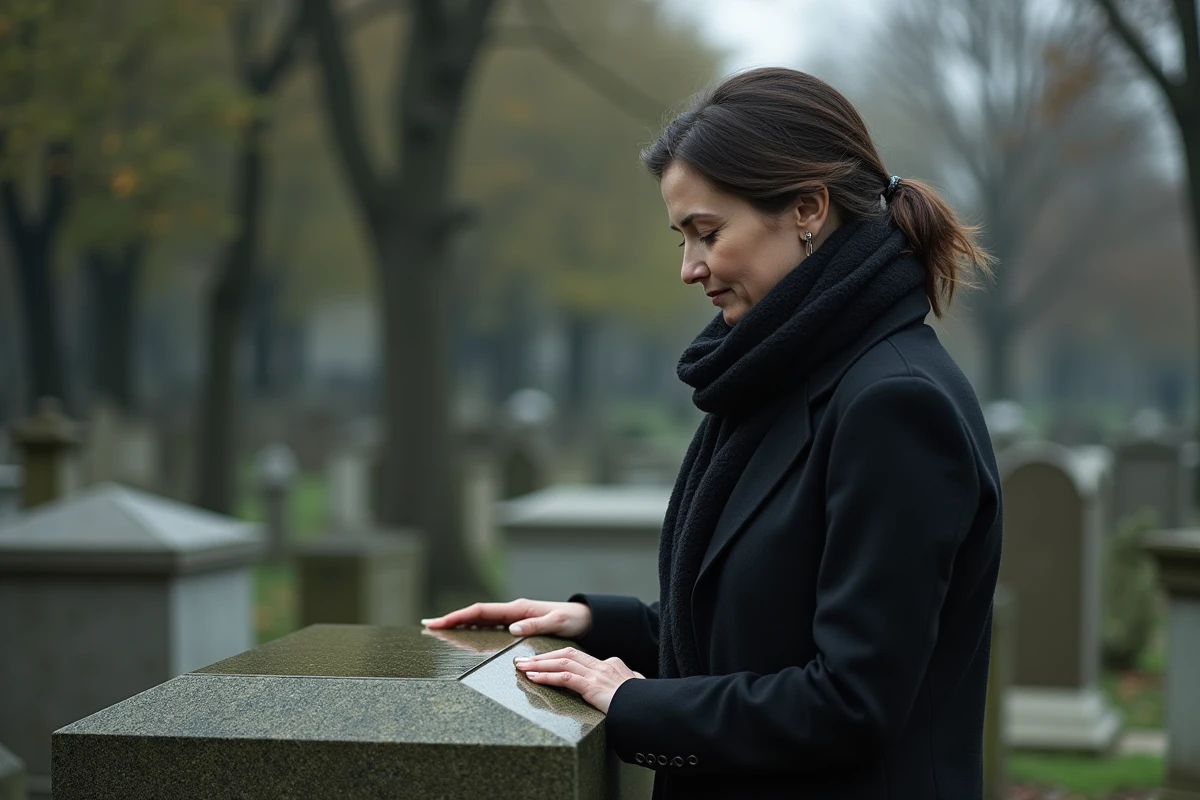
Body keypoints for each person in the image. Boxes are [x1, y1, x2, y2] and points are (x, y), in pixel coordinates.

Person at [424, 67, 1003, 799]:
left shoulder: (894, 406)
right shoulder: (784, 373)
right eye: (681, 239)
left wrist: (633, 702)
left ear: (806, 209)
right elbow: (765, 624)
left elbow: (852, 702)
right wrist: (595, 627)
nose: (689, 269)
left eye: (706, 233)